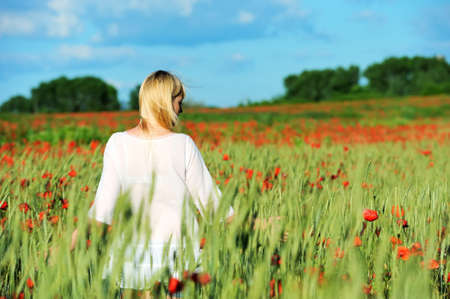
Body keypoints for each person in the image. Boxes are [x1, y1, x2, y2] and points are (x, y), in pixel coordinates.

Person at [70, 70, 235, 299]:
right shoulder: (183, 144)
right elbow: (215, 207)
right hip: (177, 265)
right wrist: (262, 225)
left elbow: (101, 213)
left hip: (130, 264)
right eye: (179, 102)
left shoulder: (118, 143)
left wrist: (65, 245)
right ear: (166, 102)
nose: (181, 110)